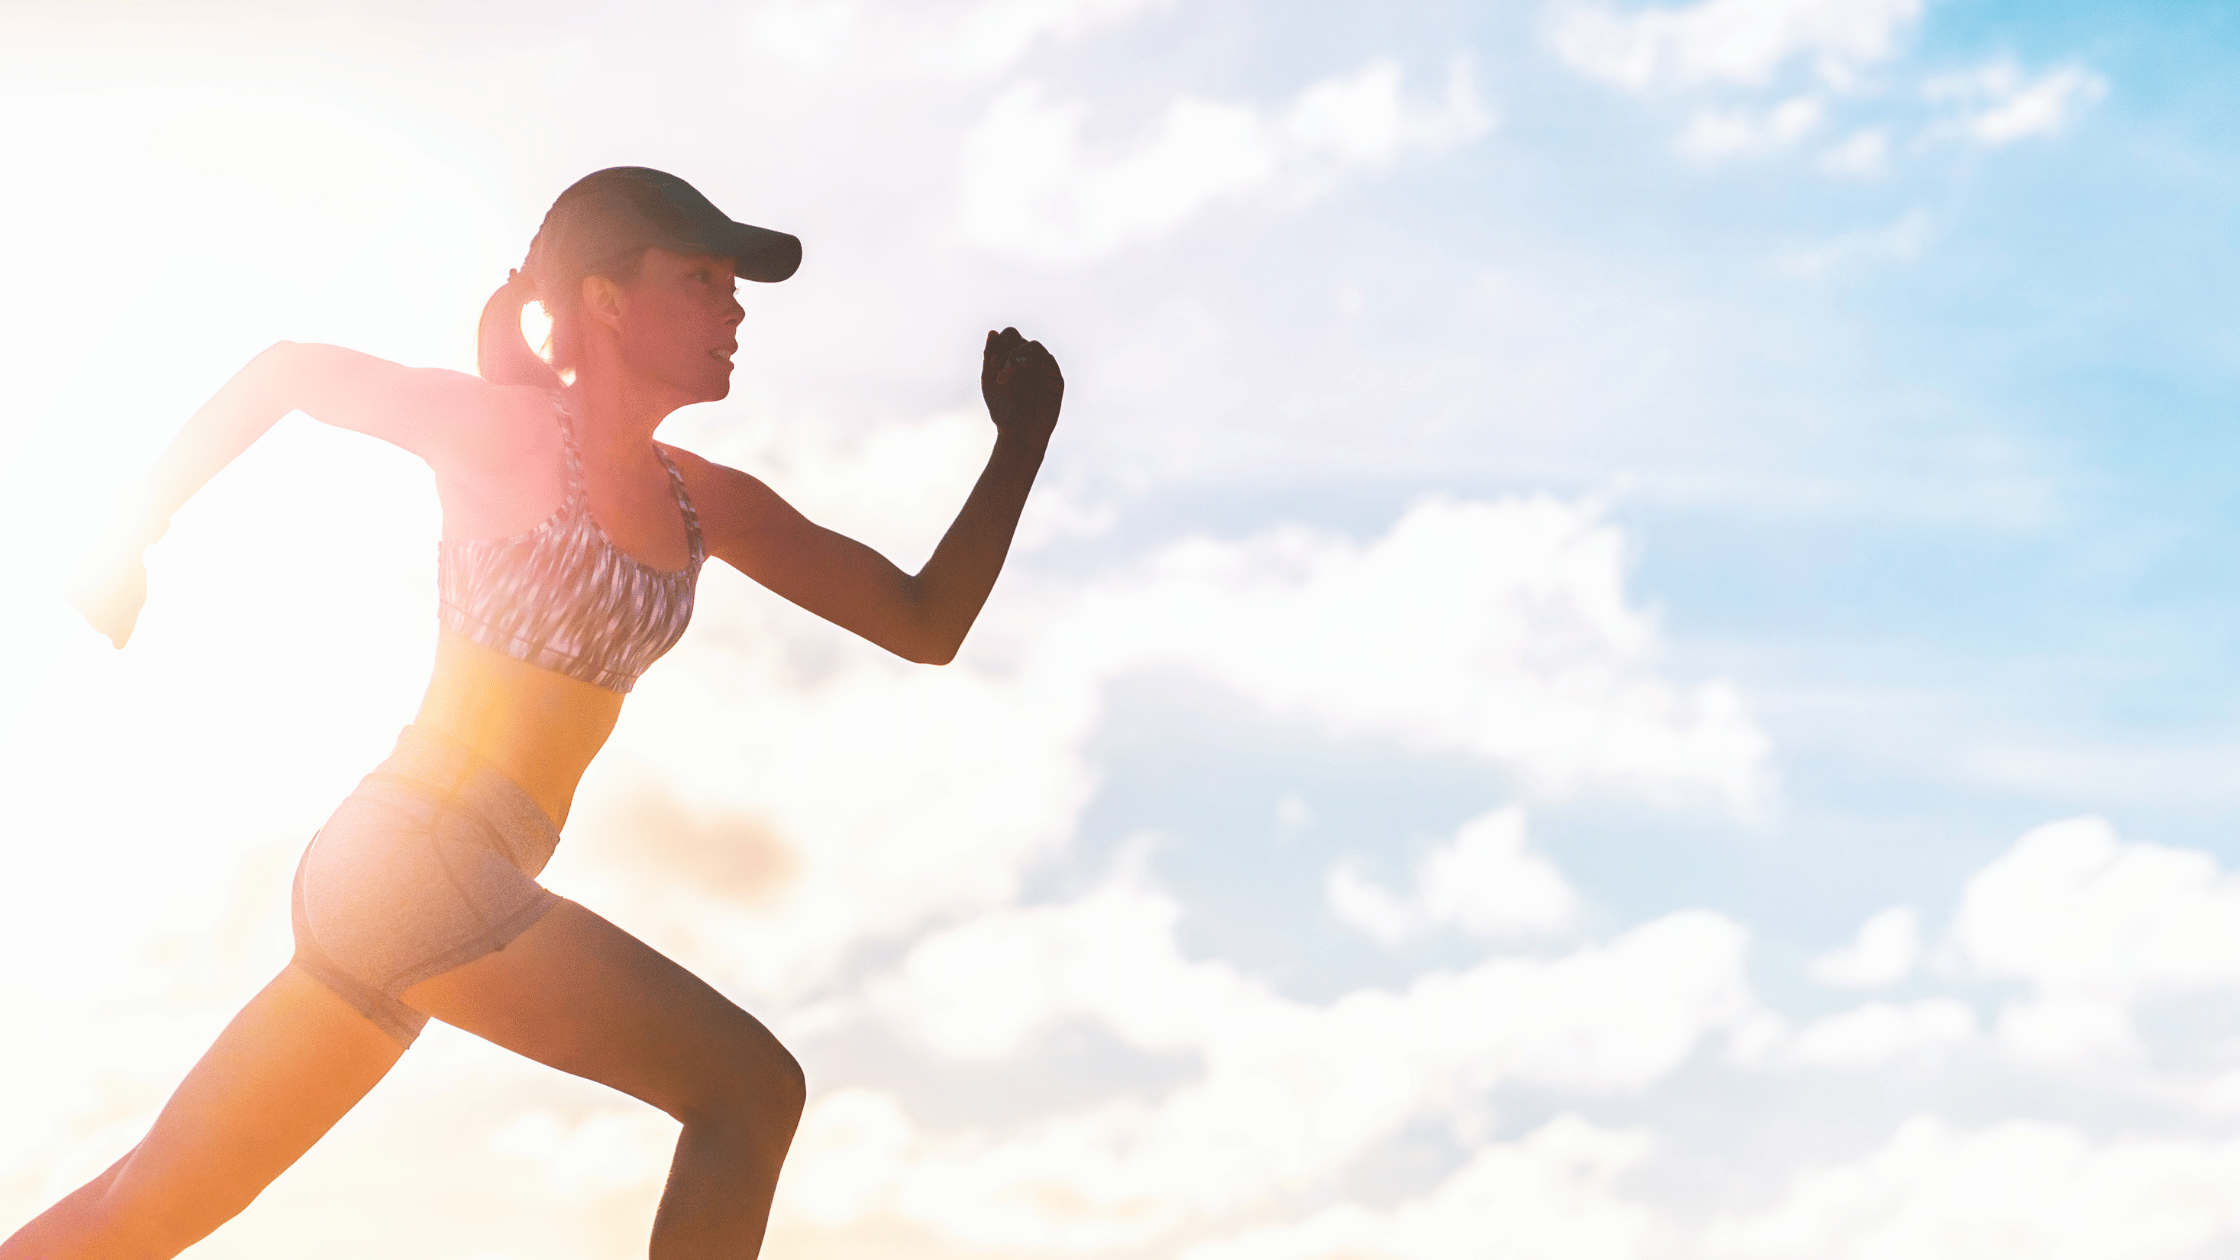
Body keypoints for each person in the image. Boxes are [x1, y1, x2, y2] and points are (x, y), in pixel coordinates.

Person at [6, 166, 1063, 1260]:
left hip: (434, 886)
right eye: (701, 278)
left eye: (734, 286)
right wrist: (126, 538)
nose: (735, 308)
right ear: (604, 300)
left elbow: (921, 621)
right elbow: (289, 374)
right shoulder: (502, 431)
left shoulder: (708, 502)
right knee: (746, 1089)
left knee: (140, 1214)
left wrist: (1018, 446)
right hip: (414, 859)